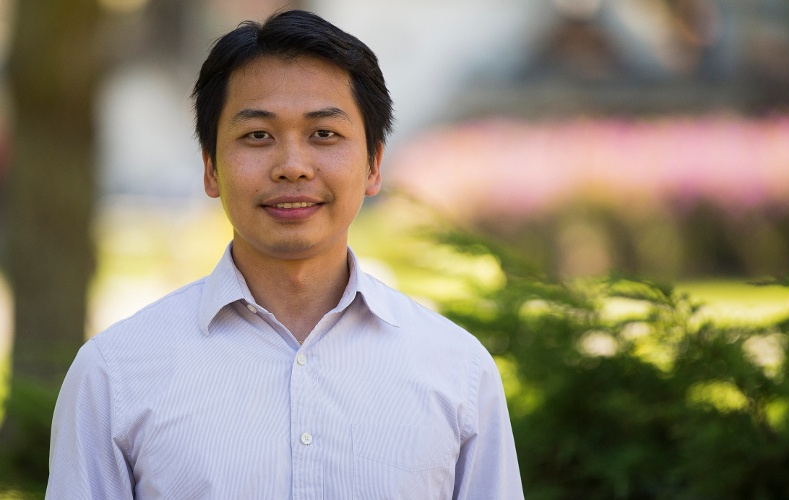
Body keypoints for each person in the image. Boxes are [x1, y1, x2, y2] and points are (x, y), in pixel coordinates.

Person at [47, 9, 523, 499]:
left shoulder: (458, 372)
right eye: (258, 136)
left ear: (374, 164)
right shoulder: (116, 374)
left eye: (324, 134)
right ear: (210, 167)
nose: (292, 167)